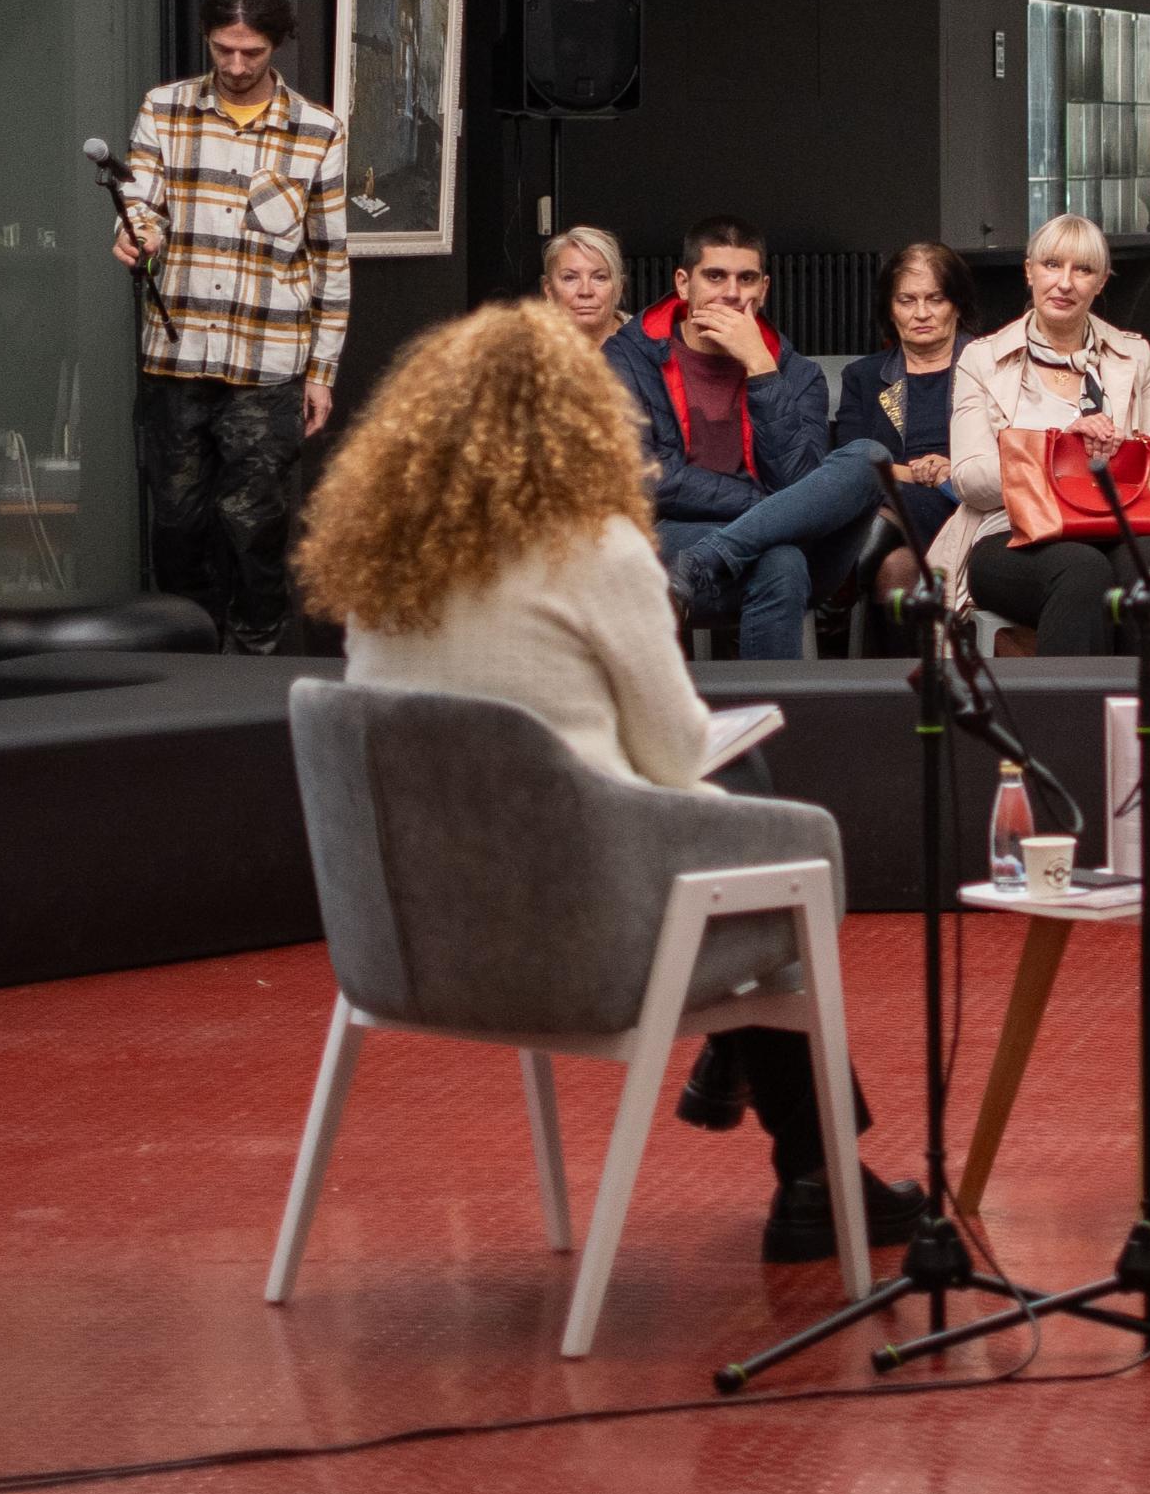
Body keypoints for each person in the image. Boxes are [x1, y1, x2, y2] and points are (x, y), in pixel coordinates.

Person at [298, 301, 923, 1264]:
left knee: (741, 819)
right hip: (583, 937)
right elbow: (674, 755)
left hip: (407, 945)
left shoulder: (384, 568)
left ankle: (794, 1149)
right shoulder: (597, 551)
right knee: (774, 846)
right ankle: (812, 1169)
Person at [113, 0, 351, 654]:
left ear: (276, 46)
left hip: (268, 364)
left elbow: (330, 257)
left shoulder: (318, 130)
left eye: (252, 52)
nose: (237, 65)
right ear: (207, 39)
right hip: (178, 355)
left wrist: (322, 372)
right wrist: (136, 232)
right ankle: (185, 670)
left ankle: (255, 670)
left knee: (255, 530)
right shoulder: (165, 109)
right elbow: (141, 201)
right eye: (224, 49)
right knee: (177, 529)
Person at [608, 216, 885, 663]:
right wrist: (766, 507)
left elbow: (801, 483)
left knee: (872, 459)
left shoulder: (797, 373)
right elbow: (645, 479)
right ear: (683, 284)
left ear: (764, 288)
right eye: (715, 276)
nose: (732, 293)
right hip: (665, 540)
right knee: (779, 562)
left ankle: (705, 560)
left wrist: (760, 367)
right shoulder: (628, 358)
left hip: (772, 554)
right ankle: (768, 712)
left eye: (747, 279)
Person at [932, 215, 1150, 656]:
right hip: (1010, 532)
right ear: (1029, 271)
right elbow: (970, 480)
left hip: (1119, 525)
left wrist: (1116, 451)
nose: (1064, 283)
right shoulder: (982, 359)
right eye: (1052, 265)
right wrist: (1059, 450)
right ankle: (1068, 704)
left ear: (1101, 282)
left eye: (1083, 269)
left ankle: (1148, 701)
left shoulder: (1134, 355)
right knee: (1081, 570)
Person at [832, 243, 973, 612]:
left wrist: (952, 470)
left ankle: (833, 595)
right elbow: (850, 460)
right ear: (890, 309)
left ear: (957, 304)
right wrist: (917, 475)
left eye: (935, 299)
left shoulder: (991, 367)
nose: (921, 313)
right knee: (895, 570)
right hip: (892, 505)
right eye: (907, 300)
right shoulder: (863, 377)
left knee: (877, 502)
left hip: (965, 506)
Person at [542, 224, 626, 349]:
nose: (585, 291)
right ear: (549, 290)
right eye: (570, 278)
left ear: (618, 288)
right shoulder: (529, 348)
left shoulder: (649, 342)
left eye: (599, 277)